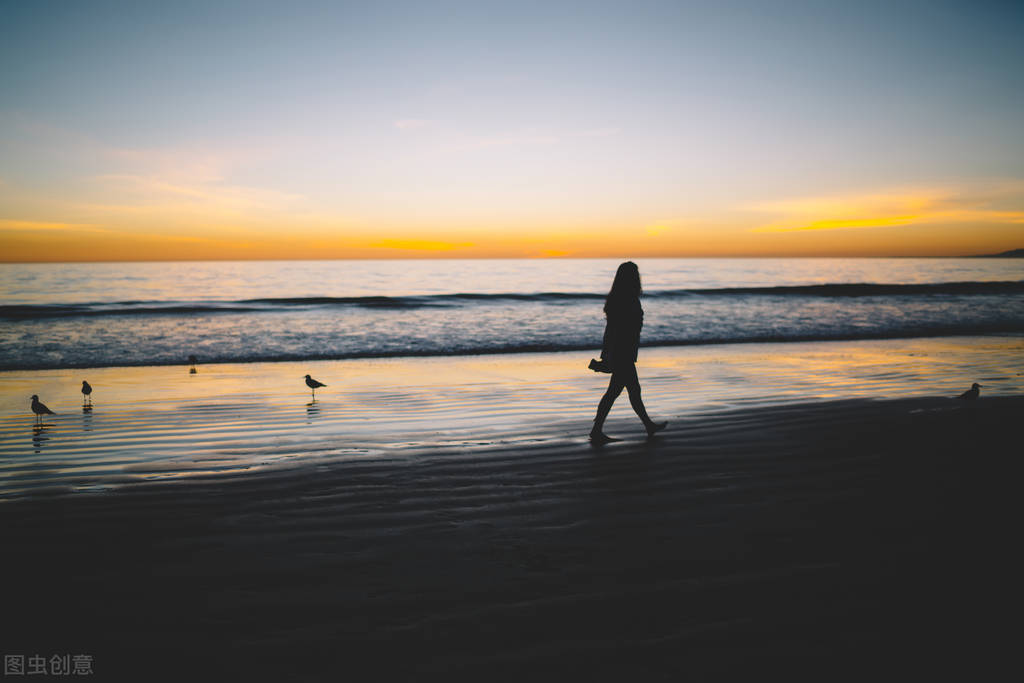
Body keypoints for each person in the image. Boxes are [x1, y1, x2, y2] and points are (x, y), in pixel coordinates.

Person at [589, 262, 667, 443]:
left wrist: (608, 353)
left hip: (622, 351)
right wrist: (611, 355)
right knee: (620, 391)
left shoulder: (619, 297)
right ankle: (597, 430)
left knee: (625, 391)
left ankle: (647, 425)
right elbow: (617, 330)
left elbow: (612, 330)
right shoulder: (627, 299)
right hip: (623, 352)